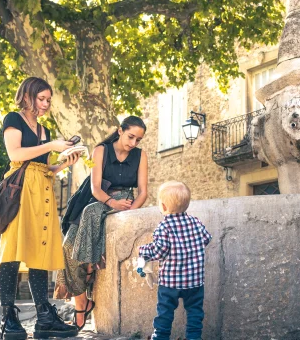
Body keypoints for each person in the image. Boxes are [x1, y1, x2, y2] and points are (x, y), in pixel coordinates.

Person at [0, 77, 79, 339]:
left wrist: (64, 163)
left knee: (40, 255)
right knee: (12, 252)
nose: (45, 104)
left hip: (42, 190)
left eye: (48, 100)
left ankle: (44, 316)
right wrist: (51, 146)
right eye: (41, 99)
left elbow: (45, 167)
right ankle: (9, 318)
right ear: (27, 96)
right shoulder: (14, 119)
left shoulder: (43, 130)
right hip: (19, 192)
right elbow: (16, 155)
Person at [54, 116, 148, 330]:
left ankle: (81, 307)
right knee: (67, 246)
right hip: (99, 199)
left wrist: (130, 211)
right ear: (120, 131)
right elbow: (96, 188)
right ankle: (83, 302)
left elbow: (143, 192)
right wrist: (111, 202)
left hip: (125, 200)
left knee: (91, 215)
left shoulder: (141, 156)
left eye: (138, 140)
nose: (133, 143)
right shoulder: (101, 150)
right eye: (130, 136)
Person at [138, 181, 212, 340]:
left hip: (170, 282)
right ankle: (193, 338)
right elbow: (206, 239)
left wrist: (143, 250)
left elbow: (159, 251)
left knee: (164, 312)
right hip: (195, 281)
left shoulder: (164, 226)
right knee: (195, 312)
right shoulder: (195, 222)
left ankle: (160, 337)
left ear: (163, 207)